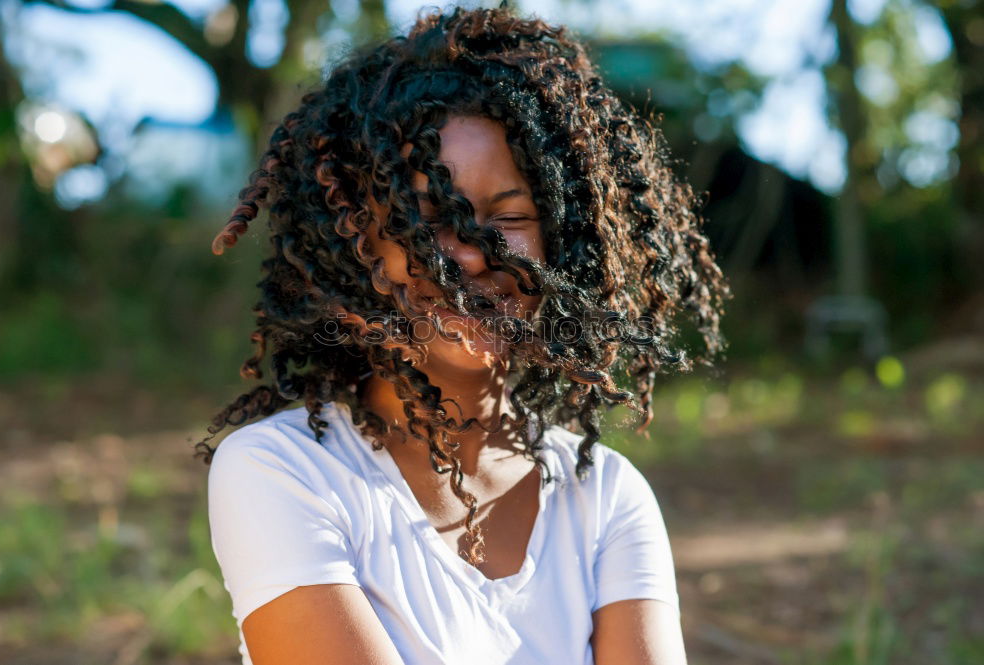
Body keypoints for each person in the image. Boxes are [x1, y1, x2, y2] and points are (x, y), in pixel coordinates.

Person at [197, 5, 730, 665]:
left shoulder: (604, 497)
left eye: (507, 217)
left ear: (559, 244)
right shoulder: (283, 471)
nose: (475, 253)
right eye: (429, 221)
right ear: (360, 246)